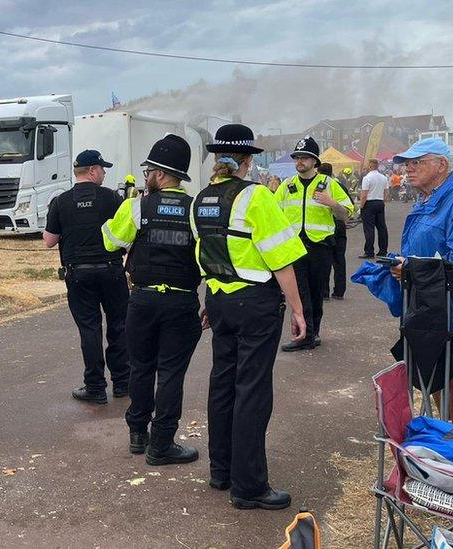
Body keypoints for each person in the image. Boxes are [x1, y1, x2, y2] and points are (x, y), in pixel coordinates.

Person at [190, 123, 307, 511]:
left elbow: (207, 256)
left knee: (222, 384)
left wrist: (212, 296)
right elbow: (281, 259)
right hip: (255, 302)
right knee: (252, 391)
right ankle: (250, 486)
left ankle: (221, 471)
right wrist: (298, 308)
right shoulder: (257, 196)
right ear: (248, 159)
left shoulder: (199, 200)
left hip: (220, 299)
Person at [102, 134, 203, 466]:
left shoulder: (137, 206)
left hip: (142, 302)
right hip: (181, 302)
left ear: (159, 174)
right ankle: (162, 444)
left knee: (141, 367)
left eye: (148, 170)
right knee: (171, 373)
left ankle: (137, 434)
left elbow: (111, 242)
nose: (145, 175)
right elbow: (206, 258)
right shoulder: (195, 210)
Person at [389, 137, 453, 426]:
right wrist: (404, 264)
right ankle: (447, 434)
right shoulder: (430, 198)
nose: (408, 169)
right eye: (407, 163)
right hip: (431, 307)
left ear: (441, 165)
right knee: (436, 375)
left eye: (416, 162)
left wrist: (411, 267)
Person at [43, 149, 130, 404]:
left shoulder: (60, 201)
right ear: (92, 170)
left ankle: (95, 387)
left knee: (90, 330)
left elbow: (49, 241)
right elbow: (126, 234)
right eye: (102, 168)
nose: (104, 172)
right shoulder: (112, 198)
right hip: (112, 271)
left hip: (78, 274)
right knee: (119, 326)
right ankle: (123, 383)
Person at [274, 137, 354, 351]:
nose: (299, 161)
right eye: (297, 157)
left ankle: (313, 332)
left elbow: (347, 214)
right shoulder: (287, 185)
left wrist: (332, 203)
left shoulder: (330, 184)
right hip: (295, 247)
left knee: (317, 292)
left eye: (304, 157)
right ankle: (306, 335)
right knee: (301, 292)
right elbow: (272, 214)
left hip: (321, 247)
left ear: (315, 161)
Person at [318, 163, 349, 300]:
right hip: (340, 224)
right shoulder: (339, 185)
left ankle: (324, 293)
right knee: (339, 259)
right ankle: (339, 291)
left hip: (327, 225)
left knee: (325, 260)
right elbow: (348, 205)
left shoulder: (318, 187)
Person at [359, 159, 389, 259]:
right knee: (382, 228)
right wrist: (383, 202)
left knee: (369, 228)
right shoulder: (384, 177)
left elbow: (364, 195)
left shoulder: (367, 178)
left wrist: (361, 206)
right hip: (380, 202)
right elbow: (386, 192)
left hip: (369, 203)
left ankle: (369, 251)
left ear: (370, 166)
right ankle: (383, 250)